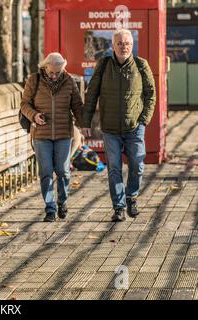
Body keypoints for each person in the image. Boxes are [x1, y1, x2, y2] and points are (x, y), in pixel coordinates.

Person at [81, 29, 156, 222]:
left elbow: (151, 95)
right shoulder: (104, 65)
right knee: (114, 168)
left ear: (132, 45)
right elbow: (91, 95)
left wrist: (143, 120)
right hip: (110, 128)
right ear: (113, 46)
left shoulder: (141, 65)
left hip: (134, 126)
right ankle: (119, 207)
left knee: (138, 165)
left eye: (127, 43)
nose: (124, 46)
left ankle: (132, 197)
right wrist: (85, 122)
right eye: (120, 43)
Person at [20, 53, 83, 222]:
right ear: (45, 67)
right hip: (41, 134)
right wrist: (34, 116)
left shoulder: (68, 81)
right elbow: (24, 104)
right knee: (45, 171)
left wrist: (85, 123)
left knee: (63, 170)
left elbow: (77, 104)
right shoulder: (34, 80)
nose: (55, 76)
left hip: (63, 133)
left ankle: (62, 201)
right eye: (52, 72)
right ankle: (50, 208)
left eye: (58, 72)